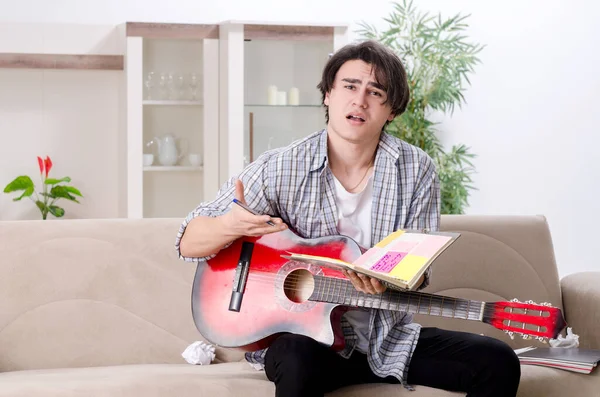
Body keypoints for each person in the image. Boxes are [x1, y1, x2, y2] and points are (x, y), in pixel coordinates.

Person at [175, 40, 521, 397]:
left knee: (497, 361)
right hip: (306, 343)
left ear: (392, 111)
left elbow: (418, 271)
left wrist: (391, 280)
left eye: (376, 92)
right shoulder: (279, 167)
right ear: (328, 94)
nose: (360, 101)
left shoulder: (416, 170)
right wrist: (229, 226)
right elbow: (187, 241)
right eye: (350, 86)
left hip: (385, 339)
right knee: (296, 358)